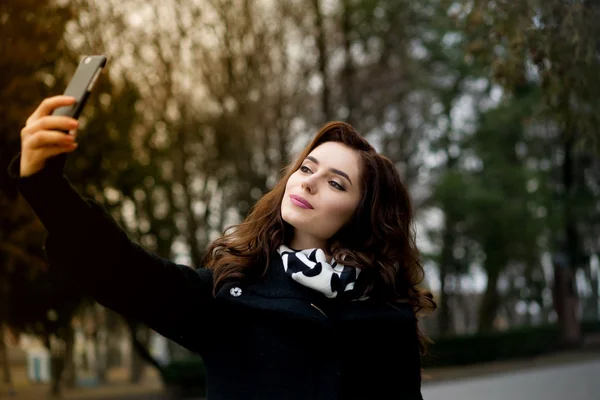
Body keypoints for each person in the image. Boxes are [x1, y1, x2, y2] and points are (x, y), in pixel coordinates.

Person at [10, 95, 436, 400]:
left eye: (336, 182)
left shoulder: (383, 311)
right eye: (307, 167)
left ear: (362, 214)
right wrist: (45, 187)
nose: (307, 180)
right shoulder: (233, 293)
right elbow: (125, 271)